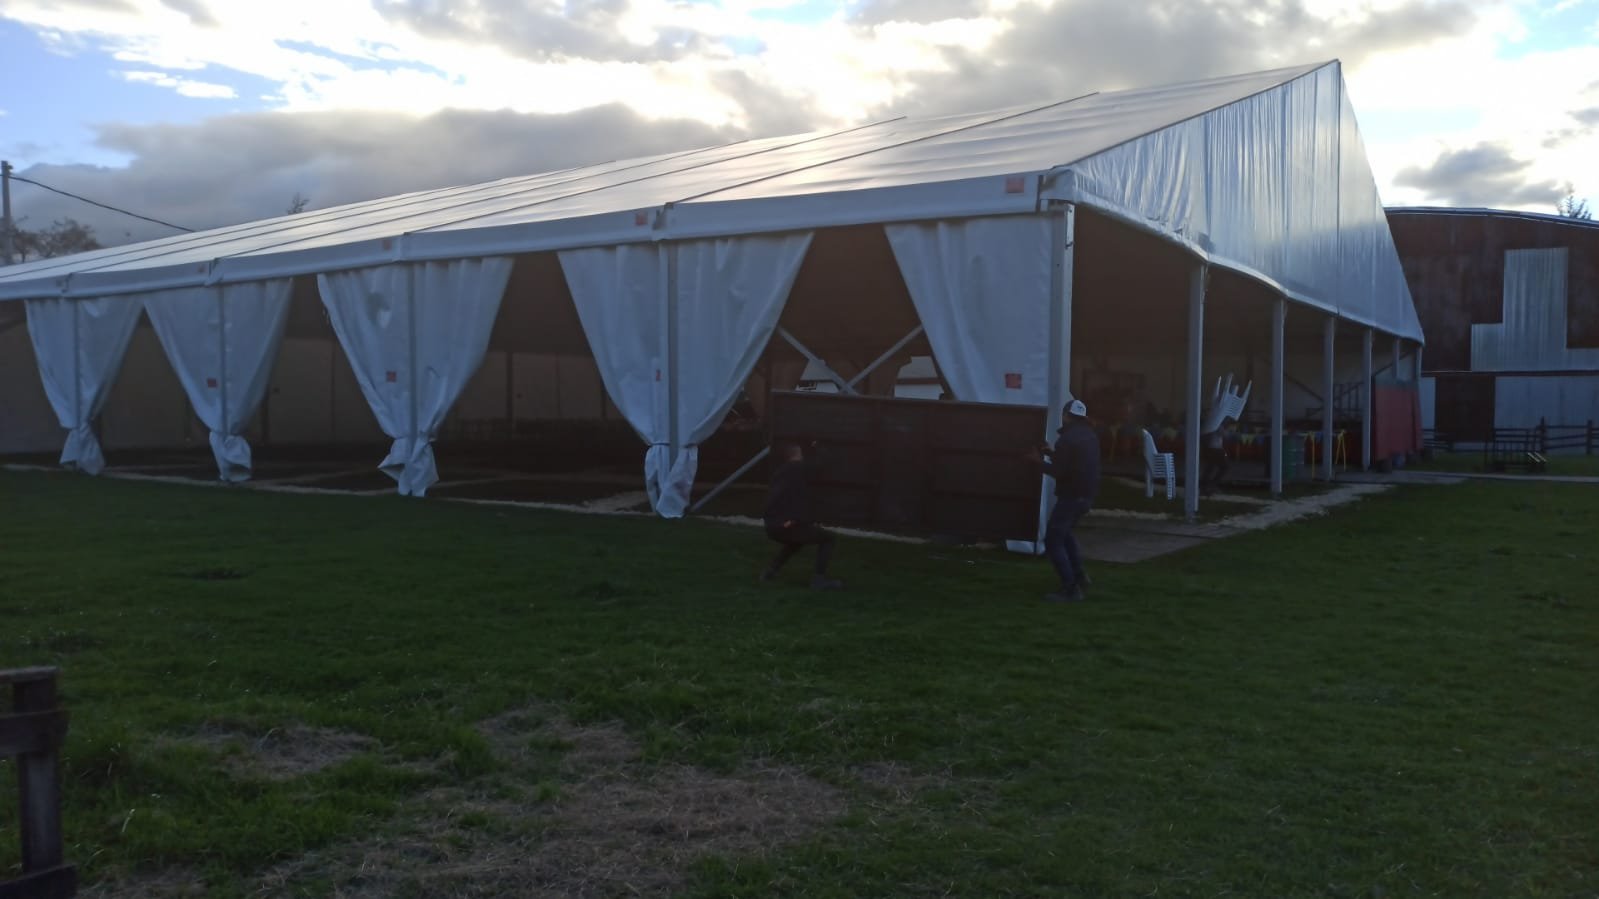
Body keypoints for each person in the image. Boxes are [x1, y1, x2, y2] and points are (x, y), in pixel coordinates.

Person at [1037, 399, 1100, 602]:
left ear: (1065, 416)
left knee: (1053, 540)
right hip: (1086, 496)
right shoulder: (1090, 435)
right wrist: (1050, 453)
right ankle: (1080, 577)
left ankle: (1070, 589)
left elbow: (1059, 471)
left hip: (1071, 497)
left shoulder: (1066, 439)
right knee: (1065, 535)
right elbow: (1072, 463)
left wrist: (1035, 463)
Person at [760, 440, 844, 590]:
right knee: (828, 539)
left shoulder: (780, 473)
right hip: (787, 524)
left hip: (773, 525)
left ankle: (770, 572)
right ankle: (818, 581)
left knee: (797, 541)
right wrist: (819, 446)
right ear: (797, 454)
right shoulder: (797, 468)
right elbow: (822, 465)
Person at [1200, 423, 1230, 496]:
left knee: (1210, 468)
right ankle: (1211, 485)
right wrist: (1226, 429)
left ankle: (1206, 486)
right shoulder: (1217, 425)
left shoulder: (1210, 425)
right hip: (1216, 450)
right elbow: (1226, 435)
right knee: (1224, 467)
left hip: (1210, 449)